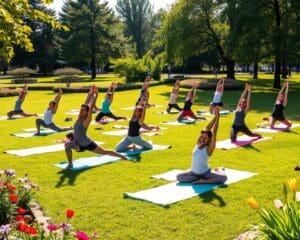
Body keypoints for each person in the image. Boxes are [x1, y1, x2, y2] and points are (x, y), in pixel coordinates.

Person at [64, 87, 127, 169]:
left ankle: (121, 156)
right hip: (77, 143)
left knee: (104, 152)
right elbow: (85, 103)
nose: (81, 111)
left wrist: (96, 96)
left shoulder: (86, 120)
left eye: (83, 110)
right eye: (81, 110)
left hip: (87, 144)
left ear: (87, 112)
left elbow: (90, 108)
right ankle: (70, 164)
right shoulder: (78, 118)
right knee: (67, 145)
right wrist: (90, 94)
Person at [176, 107, 227, 184]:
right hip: (193, 172)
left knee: (223, 178)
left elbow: (214, 132)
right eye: (201, 137)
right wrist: (214, 117)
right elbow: (207, 128)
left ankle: (206, 179)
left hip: (205, 173)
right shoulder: (198, 143)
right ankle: (199, 178)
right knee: (179, 177)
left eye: (205, 138)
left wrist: (218, 117)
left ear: (209, 139)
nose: (202, 139)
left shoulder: (209, 148)